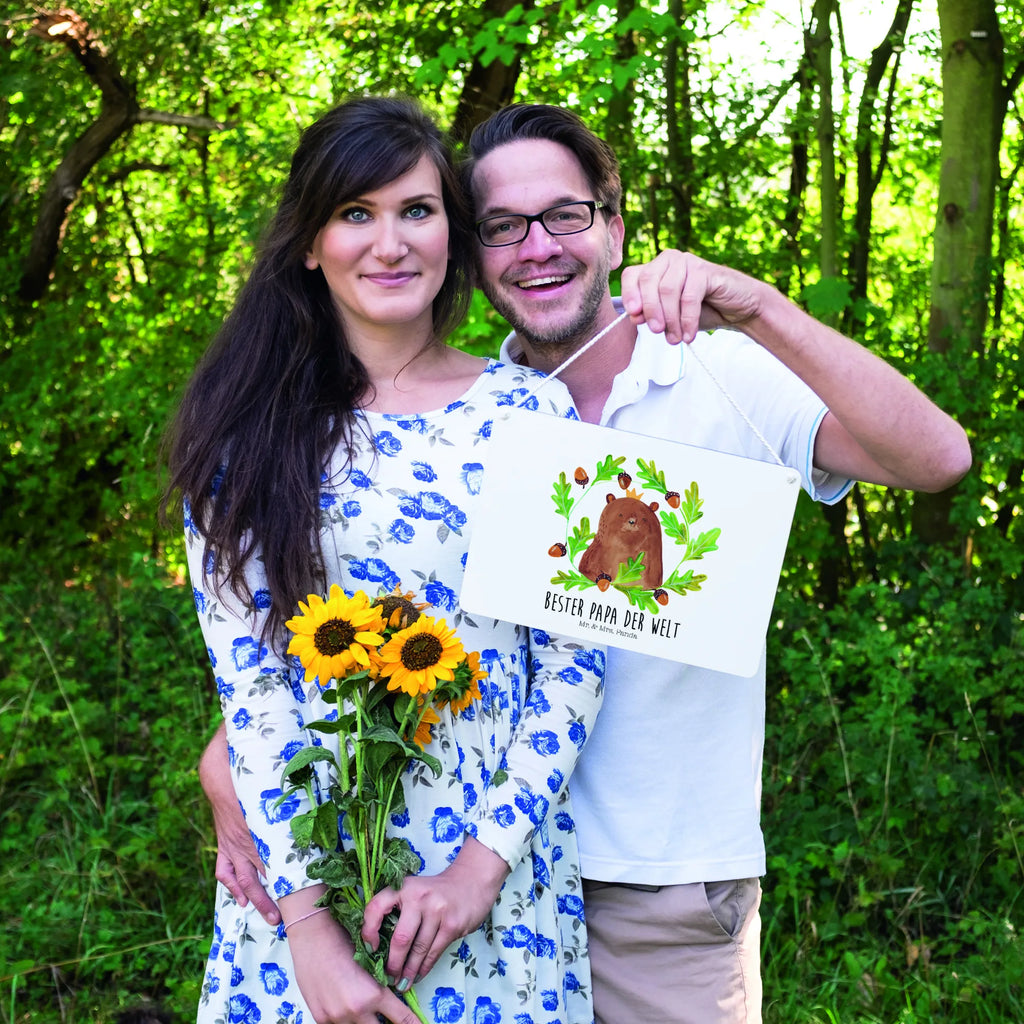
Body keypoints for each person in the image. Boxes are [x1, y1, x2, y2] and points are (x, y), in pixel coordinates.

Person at [202, 102, 972, 1024]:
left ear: (614, 227)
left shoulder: (710, 374)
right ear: (474, 249)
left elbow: (938, 459)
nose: (537, 247)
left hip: (652, 888)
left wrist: (758, 306)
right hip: (420, 871)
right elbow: (339, 623)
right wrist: (234, 757)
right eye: (503, 226)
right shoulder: (467, 414)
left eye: (564, 215)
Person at [165, 96, 607, 1024]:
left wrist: (478, 873)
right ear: (309, 243)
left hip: (492, 882)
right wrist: (310, 934)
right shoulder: (245, 436)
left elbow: (575, 661)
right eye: (355, 213)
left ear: (453, 230)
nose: (391, 243)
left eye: (417, 210)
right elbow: (252, 688)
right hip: (303, 880)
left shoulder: (532, 413)